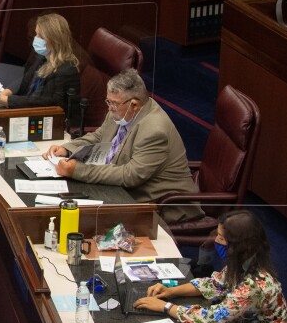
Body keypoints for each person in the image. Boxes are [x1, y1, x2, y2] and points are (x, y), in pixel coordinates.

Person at [43, 68, 200, 223]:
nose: (110, 108)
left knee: (77, 213)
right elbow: (99, 136)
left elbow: (130, 175)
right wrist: (68, 148)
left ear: (134, 104)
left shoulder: (154, 131)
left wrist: (78, 170)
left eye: (114, 104)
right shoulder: (121, 110)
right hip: (122, 188)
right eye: (108, 101)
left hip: (161, 203)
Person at [133, 210, 287, 323]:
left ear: (237, 246)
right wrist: (171, 291)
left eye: (221, 238)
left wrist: (165, 307)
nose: (216, 241)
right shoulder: (245, 263)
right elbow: (214, 284)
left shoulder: (255, 285)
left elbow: (212, 317)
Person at [0, 13, 80, 108]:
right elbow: (25, 80)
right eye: (36, 34)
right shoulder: (42, 57)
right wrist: (4, 93)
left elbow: (39, 103)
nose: (36, 39)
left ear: (55, 40)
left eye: (41, 36)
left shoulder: (66, 70)